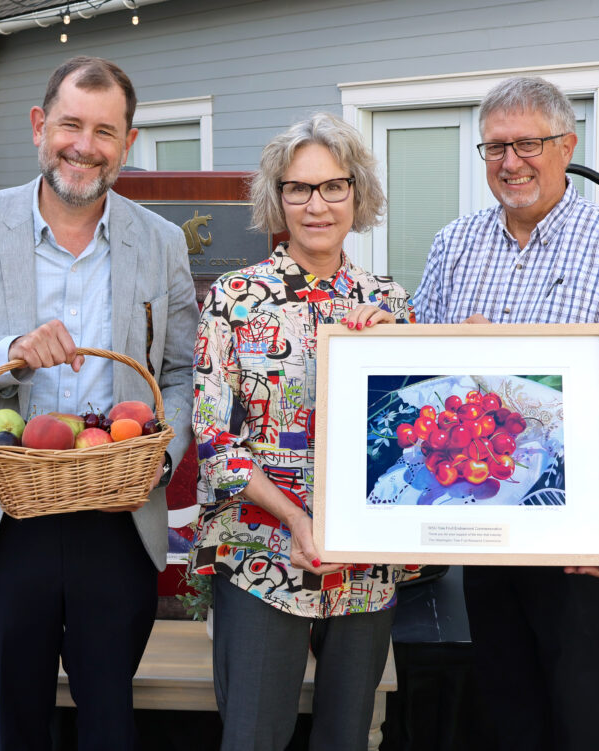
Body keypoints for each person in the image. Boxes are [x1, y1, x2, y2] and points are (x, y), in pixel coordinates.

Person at [0, 57, 198, 750]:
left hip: (117, 512)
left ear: (127, 143)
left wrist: (158, 461)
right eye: (70, 123)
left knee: (109, 722)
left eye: (105, 130)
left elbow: (183, 373)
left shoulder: (159, 243)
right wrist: (7, 349)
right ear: (41, 126)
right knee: (18, 725)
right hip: (4, 515)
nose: (83, 145)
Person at [412, 76, 599, 750]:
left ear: (567, 146)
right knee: (508, 703)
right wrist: (441, 348)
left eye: (529, 143)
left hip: (577, 535)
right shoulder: (454, 245)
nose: (511, 161)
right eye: (496, 147)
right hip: (481, 521)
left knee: (587, 714)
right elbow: (416, 369)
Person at [189, 112, 418, 751]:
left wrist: (402, 352)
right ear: (277, 198)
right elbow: (215, 443)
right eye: (298, 189)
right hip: (262, 553)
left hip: (366, 566)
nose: (316, 205)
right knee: (254, 737)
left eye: (333, 187)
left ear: (357, 194)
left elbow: (414, 436)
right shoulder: (234, 298)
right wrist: (296, 519)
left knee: (347, 739)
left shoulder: (390, 303)